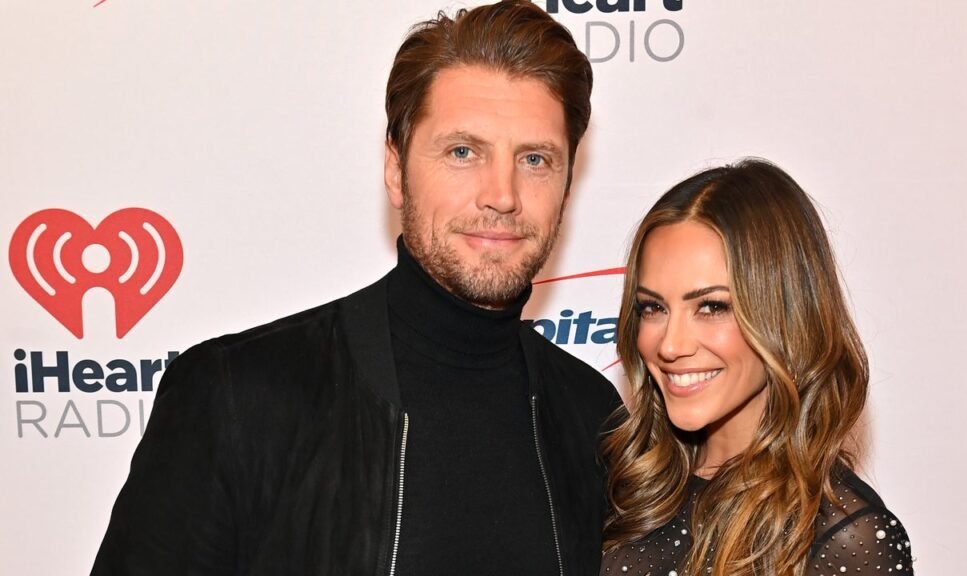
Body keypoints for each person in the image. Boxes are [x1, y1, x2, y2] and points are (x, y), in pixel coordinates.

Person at [90, 2, 621, 575]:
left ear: (567, 184)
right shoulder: (236, 397)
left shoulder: (593, 419)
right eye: (463, 152)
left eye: (535, 159)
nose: (502, 195)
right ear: (396, 170)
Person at [601, 159, 914, 575]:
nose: (671, 345)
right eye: (653, 308)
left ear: (786, 316)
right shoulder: (627, 486)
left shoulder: (845, 538)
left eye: (712, 307)